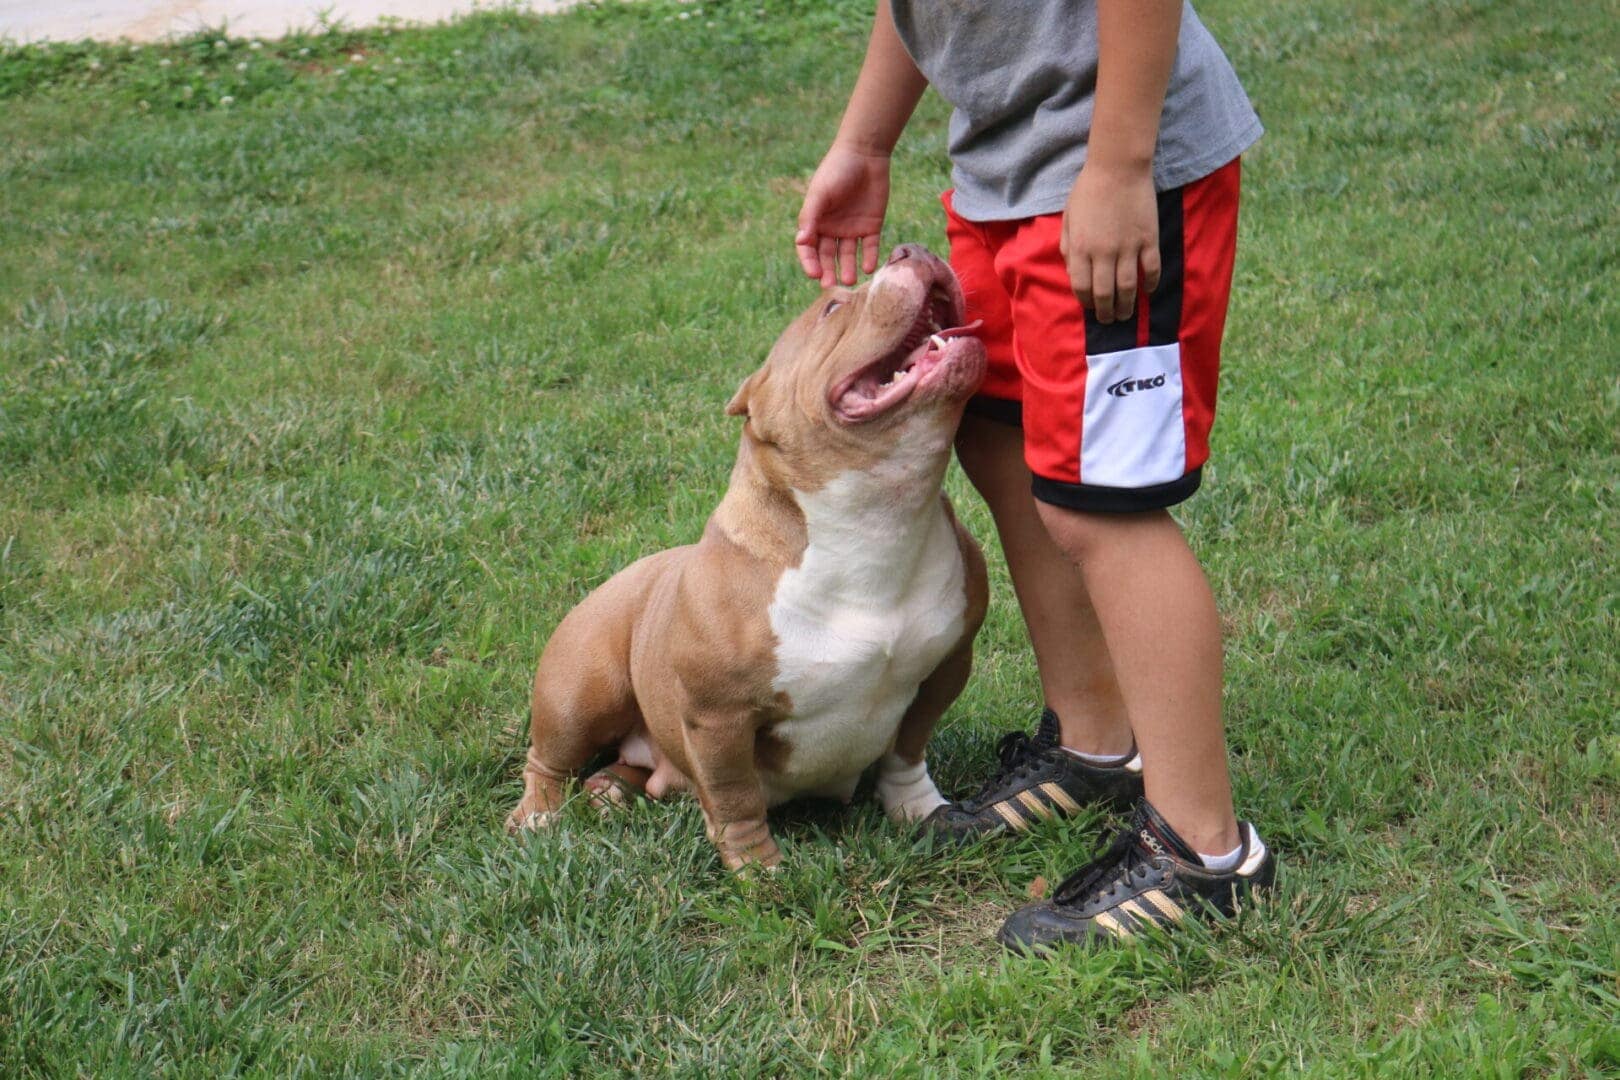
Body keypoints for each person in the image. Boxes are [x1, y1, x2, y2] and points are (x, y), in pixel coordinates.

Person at [794, 0, 1276, 950]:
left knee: (1102, 505)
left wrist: (1120, 165)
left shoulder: (1118, 165)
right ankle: (1094, 742)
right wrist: (866, 140)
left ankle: (1204, 854)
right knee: (997, 432)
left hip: (1111, 168)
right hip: (1004, 175)